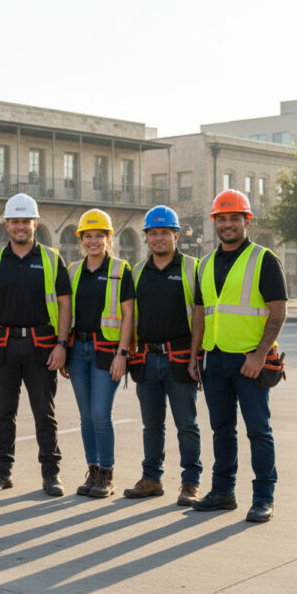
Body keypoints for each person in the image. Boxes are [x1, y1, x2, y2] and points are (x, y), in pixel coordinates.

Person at [189, 189, 287, 523]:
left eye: (234, 218)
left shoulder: (264, 259)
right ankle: (222, 492)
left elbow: (278, 312)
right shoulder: (204, 264)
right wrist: (194, 356)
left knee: (259, 430)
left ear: (247, 221)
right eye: (222, 218)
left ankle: (263, 497)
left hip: (249, 362)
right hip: (214, 360)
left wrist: (260, 355)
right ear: (214, 221)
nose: (227, 224)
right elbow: (200, 315)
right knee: (221, 429)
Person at [0, 193, 71, 495]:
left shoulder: (53, 259)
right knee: (5, 414)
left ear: (35, 223)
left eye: (25, 221)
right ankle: (1, 472)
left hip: (42, 347)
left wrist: (62, 345)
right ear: (6, 224)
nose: (20, 226)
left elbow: (66, 305)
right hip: (3, 347)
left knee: (45, 413)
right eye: (15, 221)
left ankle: (51, 474)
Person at [122, 206, 203, 506]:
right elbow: (129, 317)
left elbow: (199, 317)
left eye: (164, 233)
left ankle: (191, 482)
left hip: (179, 357)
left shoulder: (193, 268)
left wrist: (196, 356)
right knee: (152, 424)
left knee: (187, 424)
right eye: (152, 233)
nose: (158, 238)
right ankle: (152, 479)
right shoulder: (138, 271)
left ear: (176, 235)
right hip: (146, 359)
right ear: (146, 237)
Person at [63, 209, 134, 498]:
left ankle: (107, 473)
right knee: (85, 416)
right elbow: (66, 313)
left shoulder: (120, 270)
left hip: (108, 351)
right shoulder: (72, 271)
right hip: (78, 350)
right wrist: (64, 349)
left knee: (100, 413)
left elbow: (128, 315)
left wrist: (123, 353)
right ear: (81, 239)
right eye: (88, 236)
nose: (93, 241)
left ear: (108, 238)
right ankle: (92, 470)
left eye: (99, 236)